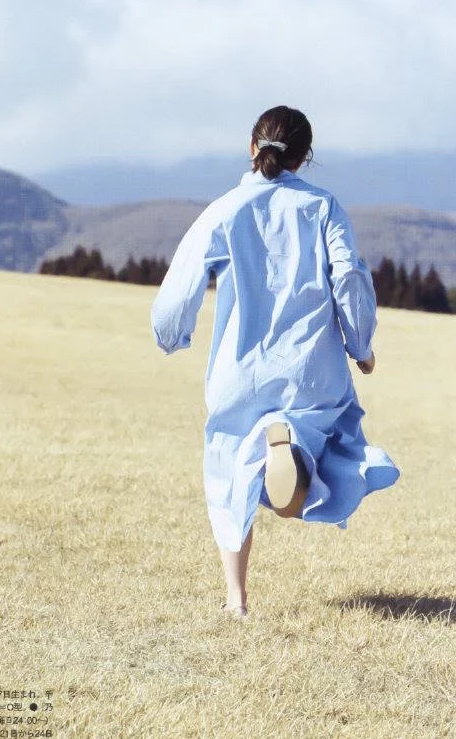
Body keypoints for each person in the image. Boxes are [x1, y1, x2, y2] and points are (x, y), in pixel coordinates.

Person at [150, 105, 400, 618]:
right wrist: (361, 344)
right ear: (306, 157)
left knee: (228, 476)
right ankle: (292, 458)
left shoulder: (224, 209)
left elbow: (180, 284)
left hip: (238, 371)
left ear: (251, 147)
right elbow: (349, 275)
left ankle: (236, 600)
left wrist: (172, 335)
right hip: (310, 369)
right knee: (327, 441)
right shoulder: (324, 207)